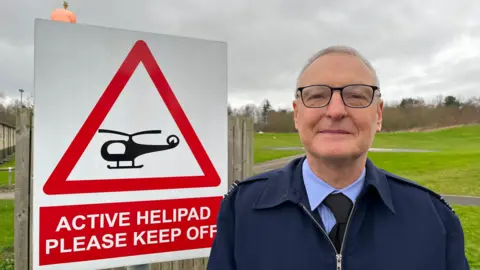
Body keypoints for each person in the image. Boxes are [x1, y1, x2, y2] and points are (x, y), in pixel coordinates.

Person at [206, 45, 470, 270]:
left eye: (356, 95)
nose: (335, 111)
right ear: (297, 115)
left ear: (378, 115)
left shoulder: (434, 219)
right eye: (317, 96)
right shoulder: (241, 210)